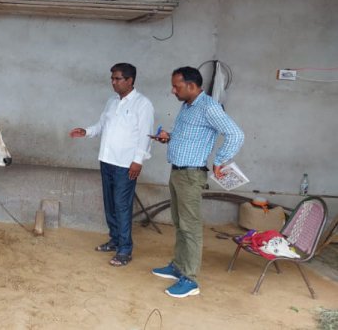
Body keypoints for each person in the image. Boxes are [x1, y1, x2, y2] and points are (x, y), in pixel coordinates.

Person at [151, 66, 244, 298]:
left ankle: (190, 279)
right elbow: (191, 137)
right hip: (178, 173)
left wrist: (220, 160)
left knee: (190, 226)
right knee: (179, 222)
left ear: (192, 86)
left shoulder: (209, 107)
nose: (173, 91)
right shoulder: (187, 106)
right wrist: (169, 137)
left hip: (192, 175)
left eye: (177, 86)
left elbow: (235, 134)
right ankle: (178, 266)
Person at [70, 63, 154, 267]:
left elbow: (146, 135)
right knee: (110, 204)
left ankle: (125, 250)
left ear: (130, 80)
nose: (113, 82)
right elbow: (101, 125)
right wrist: (87, 131)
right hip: (107, 160)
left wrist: (138, 161)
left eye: (117, 79)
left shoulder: (143, 105)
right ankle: (115, 240)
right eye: (112, 79)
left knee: (122, 205)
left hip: (126, 164)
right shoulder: (111, 102)